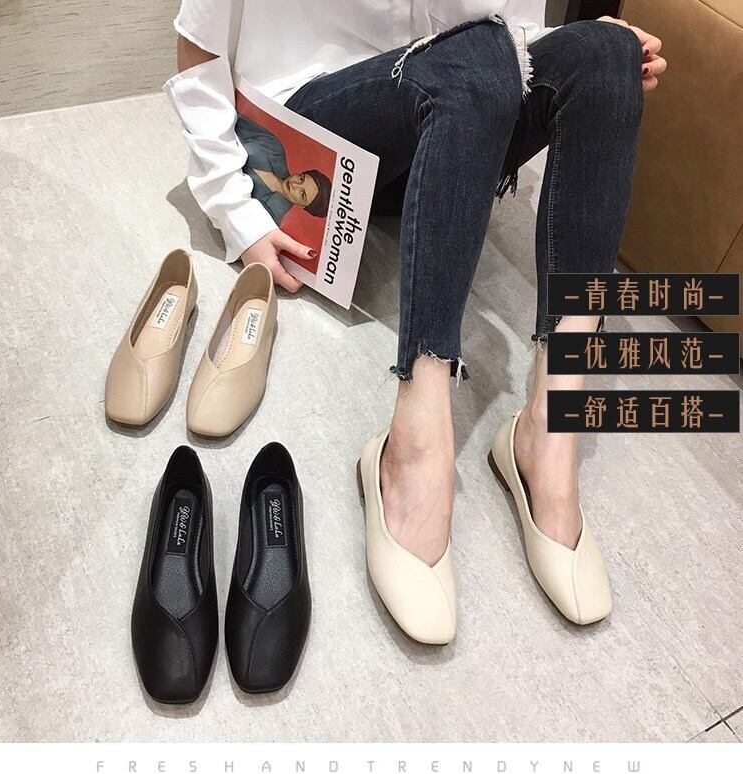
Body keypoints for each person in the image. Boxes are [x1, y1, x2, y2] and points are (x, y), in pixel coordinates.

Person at [164, 0, 667, 642]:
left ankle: (549, 428)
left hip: (452, 143)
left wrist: (589, 58)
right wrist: (235, 205)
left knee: (604, 52)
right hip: (317, 143)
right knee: (473, 55)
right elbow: (198, 44)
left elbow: (511, 37)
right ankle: (414, 443)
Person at [235, 113, 332, 226]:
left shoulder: (270, 219)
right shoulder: (274, 147)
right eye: (301, 178)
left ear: (303, 206)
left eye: (302, 194)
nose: (294, 184)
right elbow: (236, 119)